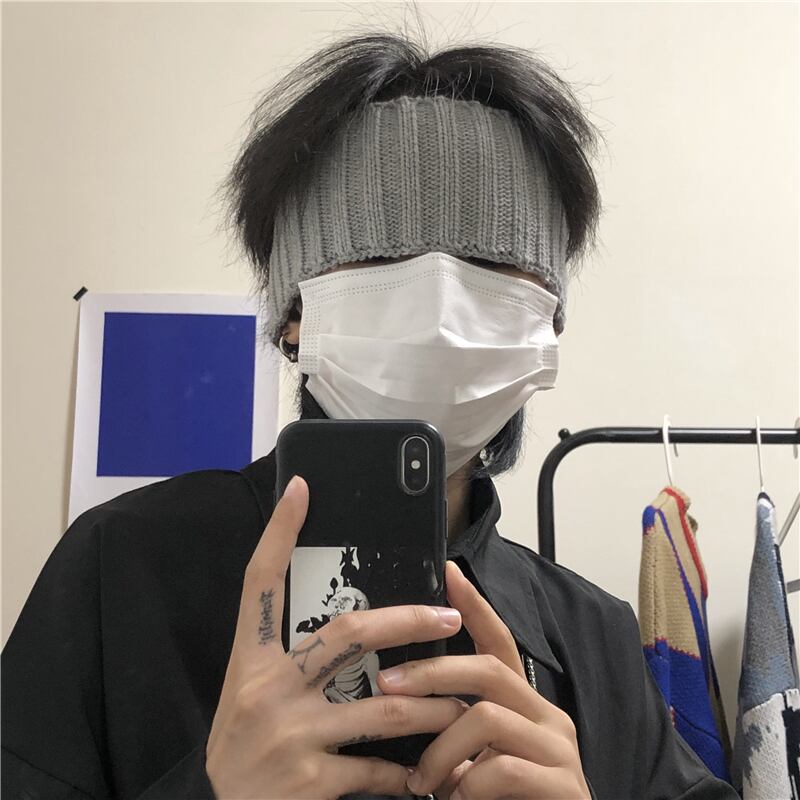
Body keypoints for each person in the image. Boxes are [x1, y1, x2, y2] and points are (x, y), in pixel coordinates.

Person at [1, 28, 740, 800]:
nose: (442, 312)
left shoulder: (597, 636)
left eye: (492, 265)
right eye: (386, 261)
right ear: (295, 318)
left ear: (544, 324)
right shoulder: (121, 573)